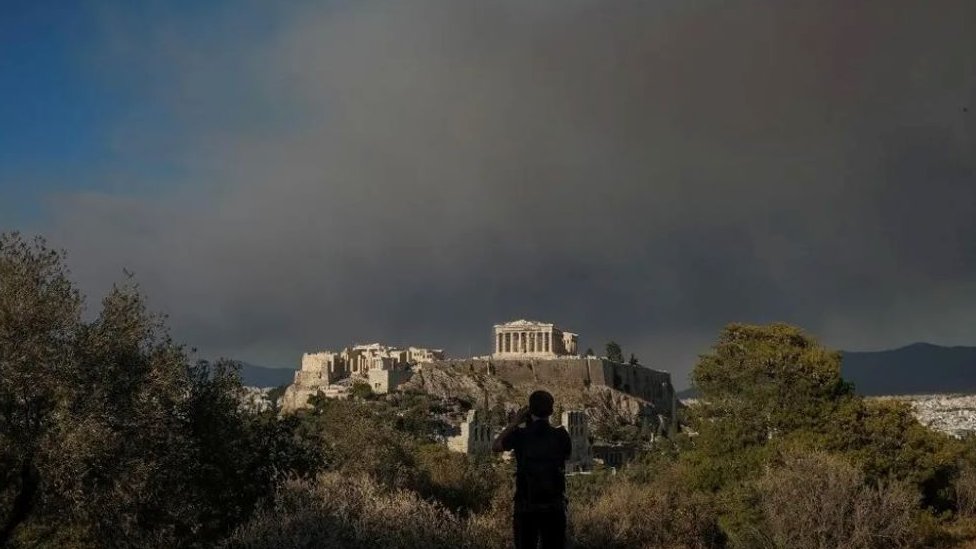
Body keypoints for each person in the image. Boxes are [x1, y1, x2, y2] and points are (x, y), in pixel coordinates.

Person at [491, 390, 572, 549]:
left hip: (526, 506)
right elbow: (567, 456)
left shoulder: (520, 435)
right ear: (551, 411)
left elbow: (496, 446)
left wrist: (514, 423)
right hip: (554, 505)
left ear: (530, 410)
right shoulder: (561, 435)